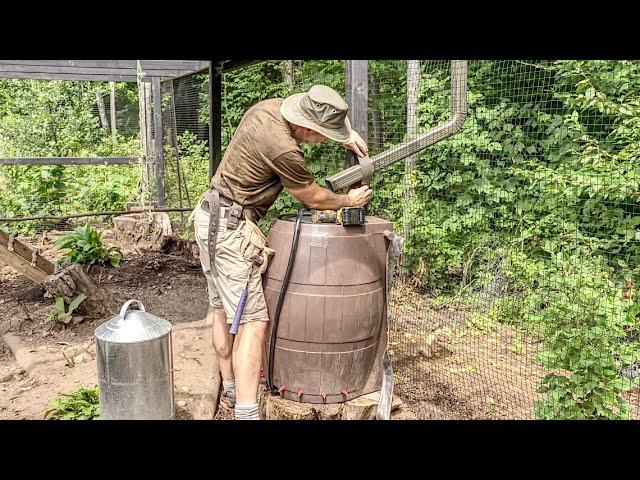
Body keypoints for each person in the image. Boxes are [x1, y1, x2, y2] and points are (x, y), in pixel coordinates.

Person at [189, 84, 372, 420]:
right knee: (253, 321)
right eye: (323, 135)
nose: (323, 141)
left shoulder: (268, 108)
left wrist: (344, 135)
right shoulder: (284, 150)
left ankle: (230, 389)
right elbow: (314, 197)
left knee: (220, 307)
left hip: (208, 216)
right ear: (306, 127)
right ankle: (246, 412)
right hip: (231, 229)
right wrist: (349, 201)